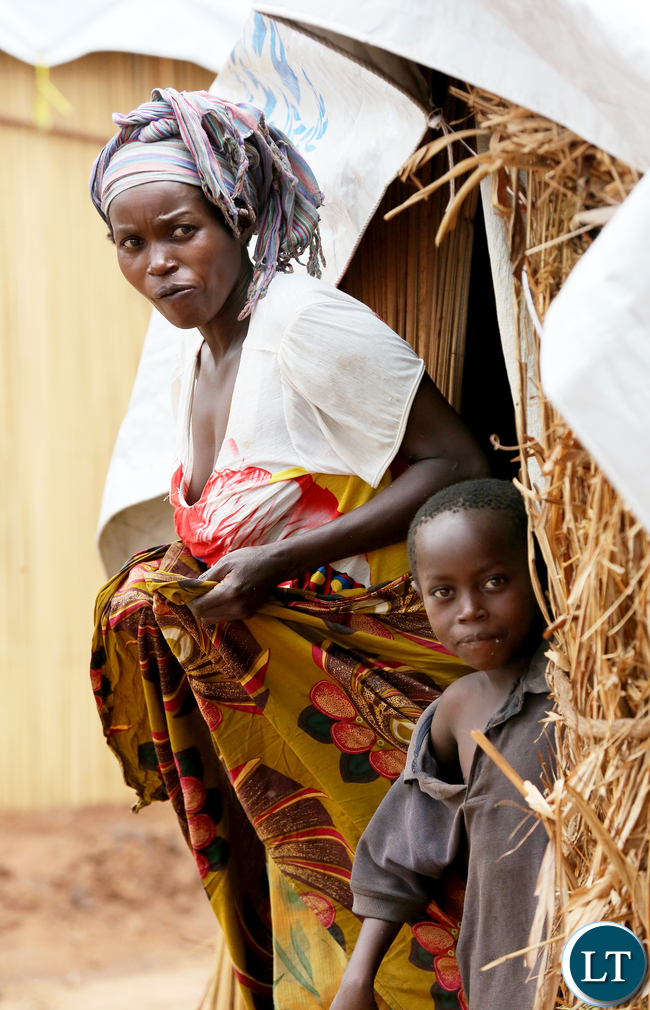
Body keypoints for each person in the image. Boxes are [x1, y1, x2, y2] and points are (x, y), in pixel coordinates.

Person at [88, 88, 489, 1010]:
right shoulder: (202, 355)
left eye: (181, 231)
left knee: (416, 958)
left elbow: (460, 466)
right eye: (132, 243)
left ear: (236, 215)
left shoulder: (305, 327)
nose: (159, 264)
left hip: (376, 715)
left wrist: (271, 568)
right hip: (292, 745)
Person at [334, 479, 553, 1010]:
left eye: (496, 580)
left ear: (539, 572)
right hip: (508, 984)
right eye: (444, 592)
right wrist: (357, 980)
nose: (470, 610)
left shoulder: (585, 684)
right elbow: (401, 854)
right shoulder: (458, 711)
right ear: (420, 597)